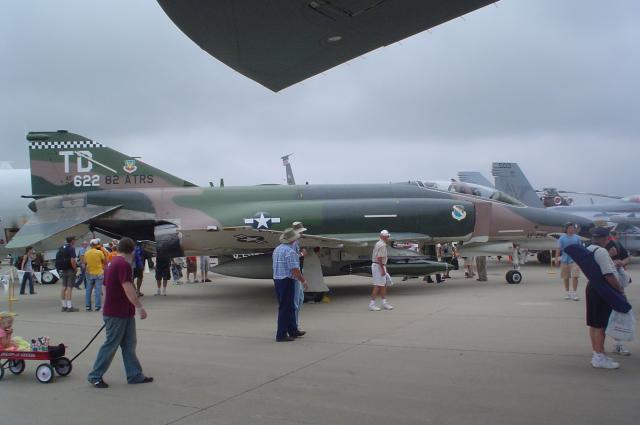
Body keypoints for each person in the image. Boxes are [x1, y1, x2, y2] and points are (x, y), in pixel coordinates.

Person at [87, 237, 153, 388]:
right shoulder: (123, 265)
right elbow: (128, 287)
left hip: (122, 312)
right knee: (111, 344)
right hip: (117, 313)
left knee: (129, 344)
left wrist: (105, 305)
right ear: (132, 250)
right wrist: (139, 307)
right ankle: (95, 375)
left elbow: (105, 286)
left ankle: (135, 375)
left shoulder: (112, 262)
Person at [583, 227, 626, 369]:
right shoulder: (601, 251)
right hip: (602, 290)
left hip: (592, 287)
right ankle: (599, 358)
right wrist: (619, 289)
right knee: (601, 325)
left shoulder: (589, 248)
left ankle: (597, 354)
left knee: (594, 324)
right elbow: (608, 274)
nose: (609, 240)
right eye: (608, 238)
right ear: (604, 238)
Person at [272, 228, 307, 342]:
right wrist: (303, 281)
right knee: (286, 307)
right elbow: (295, 269)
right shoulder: (290, 252)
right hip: (287, 280)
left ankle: (293, 330)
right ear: (292, 240)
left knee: (289, 306)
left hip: (278, 279)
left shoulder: (277, 249)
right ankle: (281, 334)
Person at [606, 231, 632, 356]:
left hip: (618, 285)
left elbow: (627, 258)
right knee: (602, 318)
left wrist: (622, 262)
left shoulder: (616, 244)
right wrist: (610, 258)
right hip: (603, 286)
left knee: (620, 315)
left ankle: (618, 344)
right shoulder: (596, 246)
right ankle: (598, 350)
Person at [555, 222, 582, 301]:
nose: (572, 229)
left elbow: (580, 249)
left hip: (574, 260)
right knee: (566, 277)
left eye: (573, 228)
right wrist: (556, 258)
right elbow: (558, 248)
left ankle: (574, 293)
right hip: (565, 260)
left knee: (575, 276)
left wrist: (581, 259)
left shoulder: (577, 238)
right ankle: (567, 292)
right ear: (566, 229)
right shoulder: (562, 238)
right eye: (570, 228)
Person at [369, 230, 393, 311]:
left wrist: (384, 268)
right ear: (384, 237)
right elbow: (379, 258)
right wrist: (382, 269)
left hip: (378, 265)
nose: (388, 238)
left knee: (383, 285)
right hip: (378, 266)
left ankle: (384, 302)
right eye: (387, 236)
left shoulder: (378, 243)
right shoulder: (382, 245)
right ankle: (372, 304)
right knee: (378, 285)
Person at [291, 221, 308, 330]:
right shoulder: (294, 243)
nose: (302, 233)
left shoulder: (295, 242)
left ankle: (295, 324)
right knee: (296, 301)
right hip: (296, 275)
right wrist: (302, 254)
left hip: (298, 273)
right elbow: (293, 258)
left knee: (300, 299)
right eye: (300, 232)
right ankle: (294, 326)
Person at [57, 236, 79, 312]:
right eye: (74, 240)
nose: (75, 241)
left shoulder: (62, 247)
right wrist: (75, 269)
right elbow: (72, 260)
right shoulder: (71, 248)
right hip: (70, 269)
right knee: (69, 287)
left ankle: (64, 306)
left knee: (64, 287)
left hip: (63, 269)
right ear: (72, 241)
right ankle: (69, 307)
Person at [84, 239, 106, 311]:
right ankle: (97, 306)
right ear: (97, 245)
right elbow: (104, 261)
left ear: (90, 245)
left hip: (89, 272)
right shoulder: (99, 252)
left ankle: (88, 306)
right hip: (98, 272)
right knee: (98, 290)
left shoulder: (86, 253)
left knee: (88, 290)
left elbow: (85, 262)